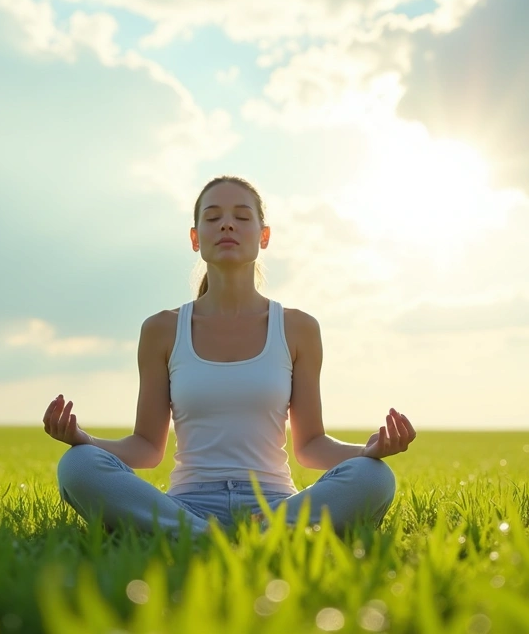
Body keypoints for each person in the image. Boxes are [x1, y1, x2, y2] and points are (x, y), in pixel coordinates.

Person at [42, 175, 416, 535]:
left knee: (374, 476)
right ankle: (210, 535)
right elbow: (147, 447)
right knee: (77, 465)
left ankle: (238, 535)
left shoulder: (298, 328)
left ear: (263, 235)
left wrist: (368, 451)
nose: (226, 226)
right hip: (188, 505)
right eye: (213, 217)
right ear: (195, 237)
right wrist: (83, 439)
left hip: (275, 506)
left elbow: (310, 446)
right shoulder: (161, 329)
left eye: (241, 217)